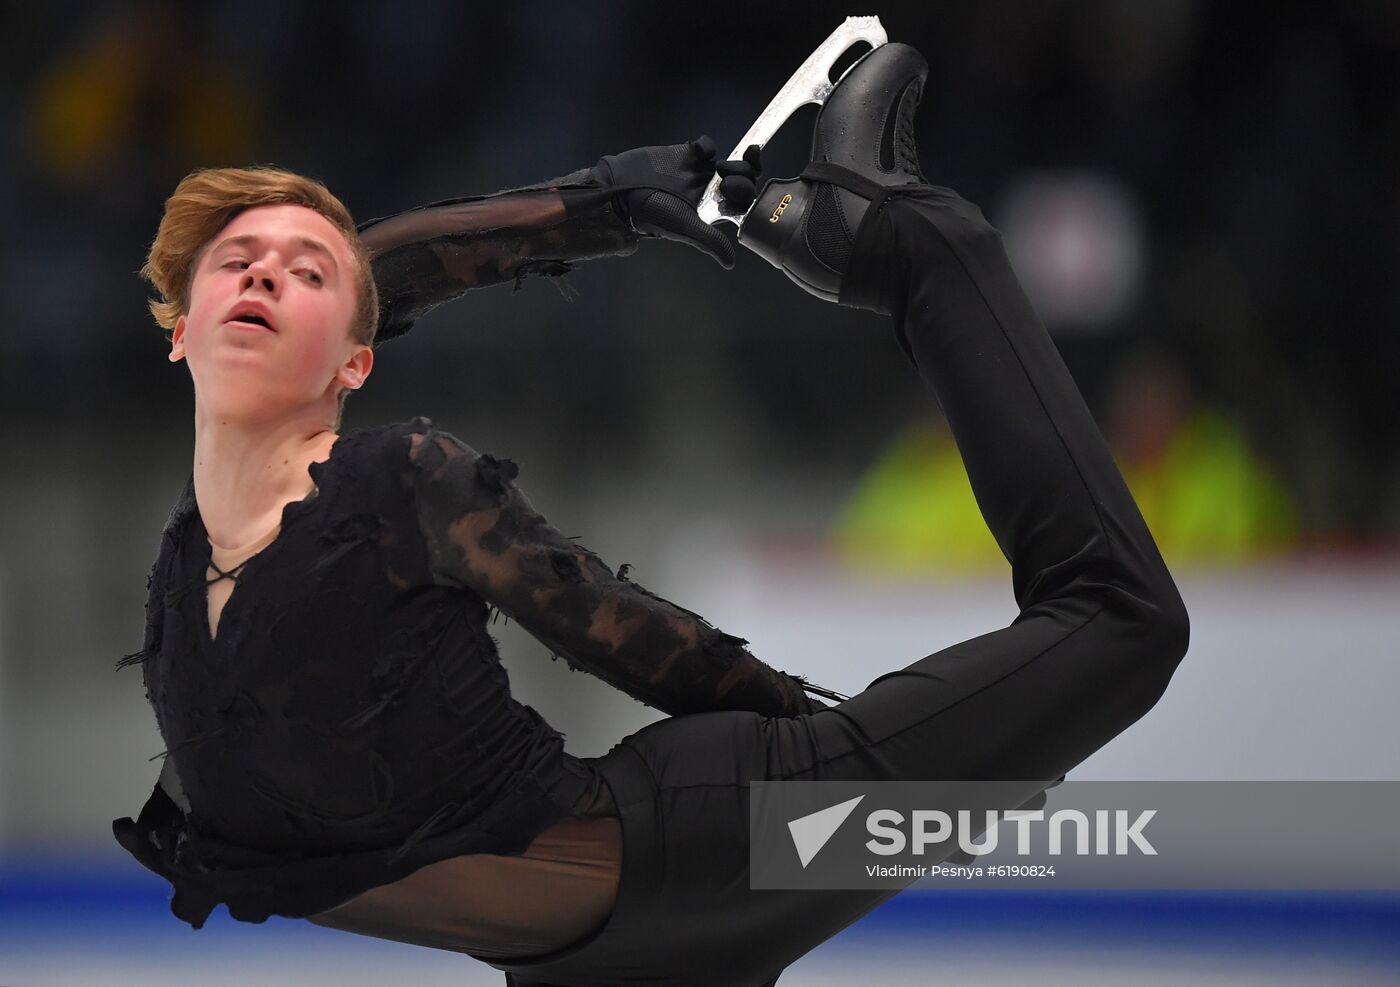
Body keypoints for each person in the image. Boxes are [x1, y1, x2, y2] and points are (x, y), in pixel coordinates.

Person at [114, 41, 1188, 987]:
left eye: (301, 271)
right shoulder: (177, 588)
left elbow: (637, 643)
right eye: (233, 265)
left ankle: (910, 247)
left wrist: (826, 752)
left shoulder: (398, 483)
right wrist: (606, 209)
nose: (262, 274)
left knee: (1119, 622)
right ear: (177, 328)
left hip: (718, 842)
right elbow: (352, 280)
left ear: (358, 351)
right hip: (584, 966)